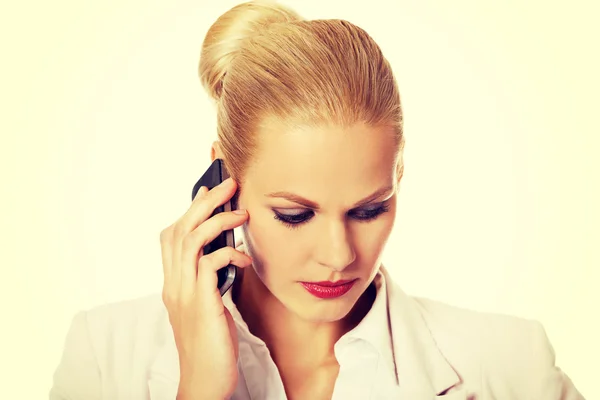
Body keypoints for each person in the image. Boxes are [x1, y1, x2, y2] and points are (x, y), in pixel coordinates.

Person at [49, 1, 585, 399]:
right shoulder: (104, 357)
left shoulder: (514, 367)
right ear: (220, 181)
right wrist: (200, 383)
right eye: (295, 214)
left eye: (369, 209)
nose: (338, 254)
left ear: (399, 175)